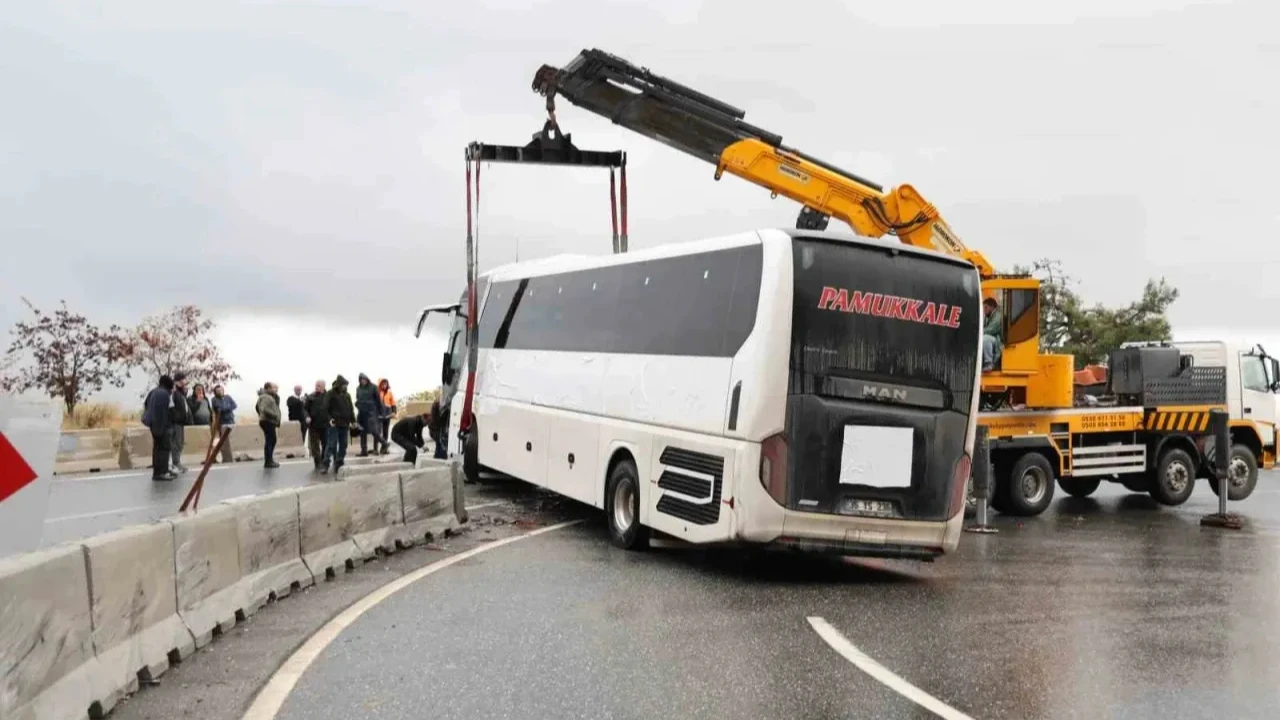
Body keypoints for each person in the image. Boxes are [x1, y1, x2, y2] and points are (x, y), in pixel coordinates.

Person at [142, 375, 176, 481]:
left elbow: (146, 404)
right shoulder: (166, 394)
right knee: (164, 449)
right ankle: (162, 472)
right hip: (163, 425)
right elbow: (170, 410)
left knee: (157, 448)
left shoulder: (153, 391)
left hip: (153, 424)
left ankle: (157, 471)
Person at [322, 374, 355, 474]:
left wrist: (353, 421)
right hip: (334, 423)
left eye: (346, 385)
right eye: (344, 385)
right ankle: (325, 464)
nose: (345, 387)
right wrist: (329, 419)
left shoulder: (347, 395)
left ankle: (339, 463)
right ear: (339, 385)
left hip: (345, 424)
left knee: (343, 445)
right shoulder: (330, 393)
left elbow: (351, 409)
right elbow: (324, 408)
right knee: (331, 445)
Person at [354, 373, 385, 456]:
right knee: (362, 432)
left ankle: (383, 442)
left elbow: (379, 400)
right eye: (361, 379)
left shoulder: (373, 387)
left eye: (364, 379)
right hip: (362, 413)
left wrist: (382, 413)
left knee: (374, 430)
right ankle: (364, 451)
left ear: (367, 379)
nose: (362, 381)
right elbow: (358, 399)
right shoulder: (358, 389)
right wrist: (357, 404)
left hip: (372, 412)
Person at [168, 372, 191, 474]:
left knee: (180, 443)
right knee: (176, 444)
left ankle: (177, 463)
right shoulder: (174, 392)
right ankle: (175, 463)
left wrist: (184, 391)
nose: (185, 382)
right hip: (175, 422)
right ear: (178, 382)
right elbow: (172, 407)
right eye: (183, 380)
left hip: (180, 422)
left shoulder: (180, 393)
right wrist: (175, 417)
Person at [256, 382, 282, 468]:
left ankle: (270, 460)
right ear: (267, 388)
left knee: (271, 440)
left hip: (268, 421)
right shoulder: (266, 397)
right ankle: (268, 461)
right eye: (273, 388)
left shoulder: (267, 396)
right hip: (268, 421)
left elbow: (258, 407)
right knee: (270, 440)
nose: (274, 390)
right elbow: (263, 408)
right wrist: (274, 415)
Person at [303, 379, 328, 469]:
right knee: (314, 445)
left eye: (319, 385)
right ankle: (317, 462)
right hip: (313, 425)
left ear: (323, 386)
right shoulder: (310, 397)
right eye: (316, 385)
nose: (316, 387)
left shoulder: (328, 396)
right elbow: (305, 409)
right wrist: (307, 417)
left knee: (326, 444)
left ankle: (324, 460)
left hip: (325, 425)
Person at [211, 384, 237, 463]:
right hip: (222, 422)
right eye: (218, 391)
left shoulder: (228, 397)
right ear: (215, 392)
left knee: (230, 442)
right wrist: (227, 407)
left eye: (221, 390)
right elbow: (219, 408)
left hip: (230, 421)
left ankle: (231, 458)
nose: (220, 392)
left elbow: (234, 405)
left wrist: (226, 407)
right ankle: (226, 459)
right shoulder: (214, 399)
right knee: (224, 442)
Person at [982, 297, 1003, 372]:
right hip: (994, 342)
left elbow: (990, 330)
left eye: (985, 307)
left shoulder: (998, 316)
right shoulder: (989, 316)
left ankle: (989, 363)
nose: (984, 310)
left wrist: (977, 333)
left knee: (985, 338)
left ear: (992, 306)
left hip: (998, 343)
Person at [377, 378, 396, 456]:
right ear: (380, 384)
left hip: (387, 415)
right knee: (378, 432)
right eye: (383, 384)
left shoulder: (389, 393)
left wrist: (394, 412)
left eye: (386, 384)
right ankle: (376, 448)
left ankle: (384, 449)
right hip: (379, 415)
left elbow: (393, 403)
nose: (384, 385)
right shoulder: (377, 392)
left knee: (386, 432)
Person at [286, 385, 307, 449]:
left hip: (303, 421)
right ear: (294, 390)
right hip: (294, 421)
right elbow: (291, 404)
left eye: (300, 390)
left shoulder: (302, 399)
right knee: (294, 436)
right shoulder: (291, 398)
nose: (299, 391)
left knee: (302, 435)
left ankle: (301, 448)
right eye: (297, 390)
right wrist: (301, 401)